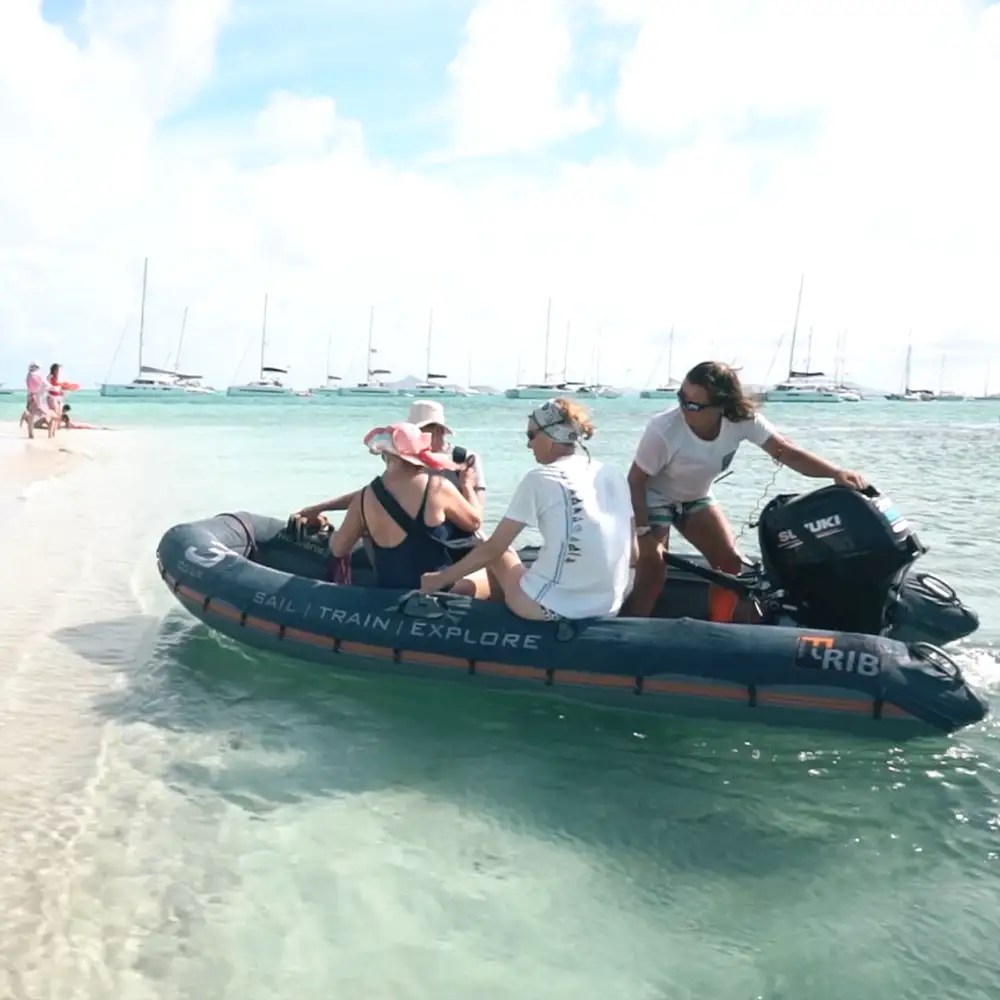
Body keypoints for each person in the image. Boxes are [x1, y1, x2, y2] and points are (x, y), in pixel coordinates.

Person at [620, 361, 868, 623]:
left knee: (730, 565)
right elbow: (635, 481)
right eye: (682, 397)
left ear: (721, 406)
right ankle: (621, 637)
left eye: (694, 404)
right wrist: (643, 531)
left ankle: (719, 629)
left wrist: (835, 473)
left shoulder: (741, 420)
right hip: (653, 498)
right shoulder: (663, 429)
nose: (684, 408)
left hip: (696, 497)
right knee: (653, 575)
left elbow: (788, 453)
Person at [419, 398, 635, 621]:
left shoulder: (541, 479)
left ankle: (492, 623)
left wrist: (440, 579)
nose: (528, 444)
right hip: (608, 608)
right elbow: (633, 553)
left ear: (552, 436)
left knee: (494, 548)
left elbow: (493, 549)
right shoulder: (613, 474)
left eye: (531, 436)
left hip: (550, 610)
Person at [328, 422, 486, 593]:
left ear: (387, 455)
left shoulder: (364, 496)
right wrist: (467, 486)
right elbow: (474, 522)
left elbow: (339, 548)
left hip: (390, 590)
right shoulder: (437, 487)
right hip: (437, 591)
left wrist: (329, 535)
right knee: (496, 562)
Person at [292, 399, 486, 526]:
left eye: (421, 430)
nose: (416, 437)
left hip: (453, 535)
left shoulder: (465, 459)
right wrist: (320, 508)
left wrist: (465, 487)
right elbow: (378, 494)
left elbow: (477, 513)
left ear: (438, 430)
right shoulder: (407, 456)